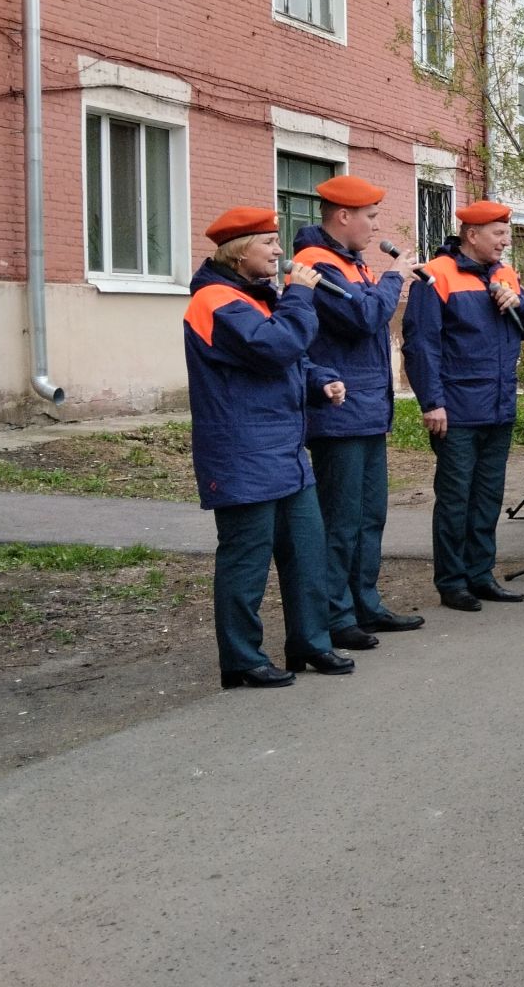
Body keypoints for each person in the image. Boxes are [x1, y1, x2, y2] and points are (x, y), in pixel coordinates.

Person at [183, 207, 354, 689]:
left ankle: (310, 642)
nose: (281, 253)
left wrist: (320, 382)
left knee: (306, 550)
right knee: (246, 560)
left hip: (283, 451)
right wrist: (300, 295)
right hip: (241, 452)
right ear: (240, 253)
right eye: (270, 244)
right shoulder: (215, 301)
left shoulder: (257, 298)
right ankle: (241, 659)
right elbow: (274, 348)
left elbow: (291, 360)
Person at [294, 176, 424, 652]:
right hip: (339, 411)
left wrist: (383, 282)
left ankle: (365, 602)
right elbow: (364, 320)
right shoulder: (317, 265)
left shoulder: (353, 265)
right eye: (369, 217)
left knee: (370, 515)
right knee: (342, 518)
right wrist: (395, 279)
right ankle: (335, 613)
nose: (375, 226)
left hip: (368, 410)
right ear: (343, 216)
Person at [402, 200, 524, 612]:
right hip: (457, 410)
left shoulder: (505, 274)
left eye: (507, 233)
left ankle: (481, 575)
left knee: (487, 497)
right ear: (472, 235)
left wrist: (518, 302)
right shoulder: (435, 277)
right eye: (499, 234)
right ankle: (452, 582)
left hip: (499, 406)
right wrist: (432, 402)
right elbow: (421, 346)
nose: (506, 241)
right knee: (455, 499)